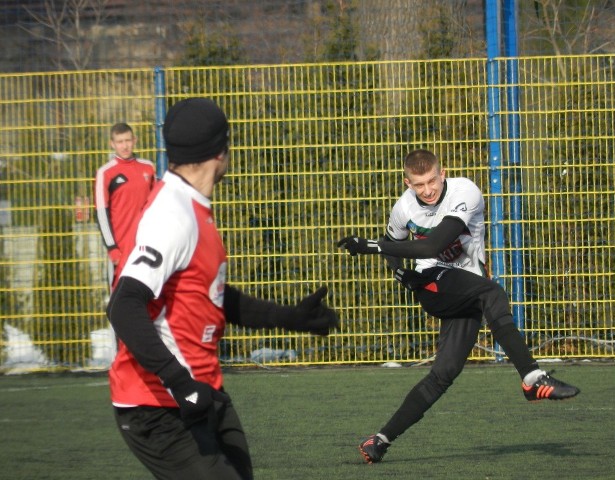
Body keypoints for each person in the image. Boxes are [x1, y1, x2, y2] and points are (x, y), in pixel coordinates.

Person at [106, 97, 339, 480]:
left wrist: (291, 317)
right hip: (159, 404)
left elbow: (211, 295)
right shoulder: (173, 215)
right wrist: (179, 382)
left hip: (200, 392)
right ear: (221, 151)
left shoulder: (190, 204)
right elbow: (124, 305)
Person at [337, 148, 580, 464]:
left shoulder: (465, 191)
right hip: (436, 284)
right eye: (418, 184)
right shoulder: (403, 207)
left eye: (431, 181)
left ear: (443, 172)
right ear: (407, 182)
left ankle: (379, 441)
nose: (427, 190)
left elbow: (434, 244)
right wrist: (401, 275)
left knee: (444, 373)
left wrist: (370, 245)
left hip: (466, 290)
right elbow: (393, 245)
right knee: (493, 294)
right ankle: (532, 379)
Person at [94, 122, 155, 290]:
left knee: (149, 301)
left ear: (134, 140)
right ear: (112, 144)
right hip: (121, 251)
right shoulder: (105, 172)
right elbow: (101, 214)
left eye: (128, 140)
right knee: (120, 305)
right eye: (120, 142)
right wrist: (112, 248)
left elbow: (155, 207)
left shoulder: (148, 167)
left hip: (145, 248)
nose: (125, 146)